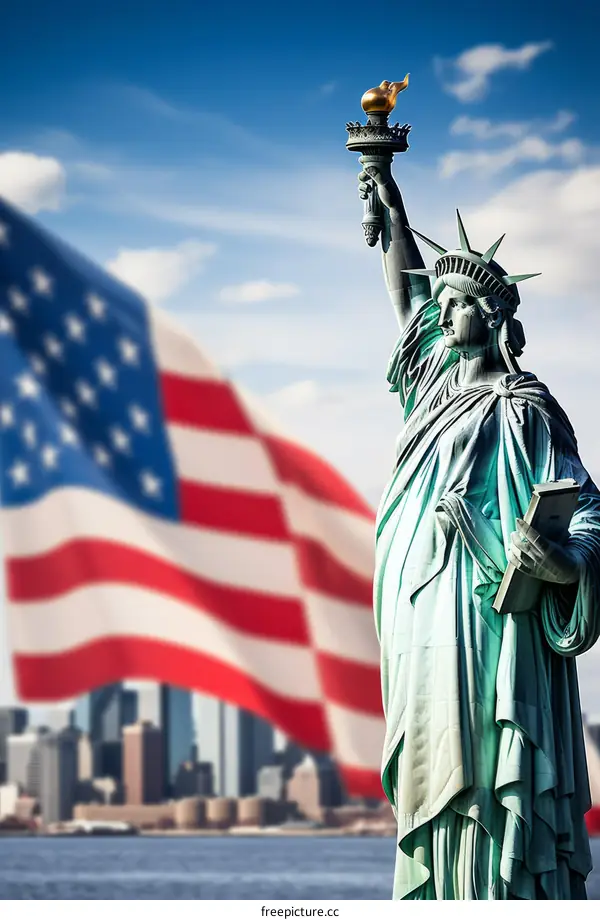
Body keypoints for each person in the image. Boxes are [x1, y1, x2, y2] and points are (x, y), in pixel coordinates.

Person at [358, 158, 600, 899]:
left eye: (459, 303)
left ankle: (493, 895)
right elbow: (407, 300)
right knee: (430, 748)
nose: (443, 313)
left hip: (488, 603)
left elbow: (587, 510)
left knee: (484, 747)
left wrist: (565, 564)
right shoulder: (429, 385)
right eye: (445, 301)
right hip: (417, 604)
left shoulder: (524, 406)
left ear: (492, 319)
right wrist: (392, 210)